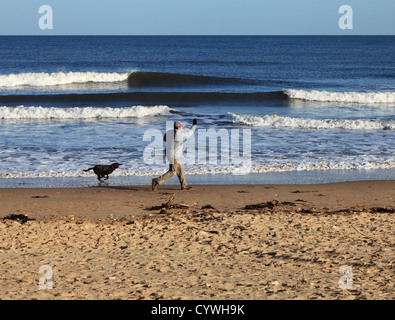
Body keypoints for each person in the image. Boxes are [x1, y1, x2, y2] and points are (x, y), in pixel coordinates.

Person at [152, 118, 197, 191]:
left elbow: (164, 139)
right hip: (174, 156)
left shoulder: (170, 132)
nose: (183, 127)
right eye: (182, 126)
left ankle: (158, 181)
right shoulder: (180, 136)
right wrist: (194, 125)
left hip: (169, 153)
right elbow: (190, 133)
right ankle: (157, 181)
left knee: (174, 171)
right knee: (177, 170)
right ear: (179, 127)